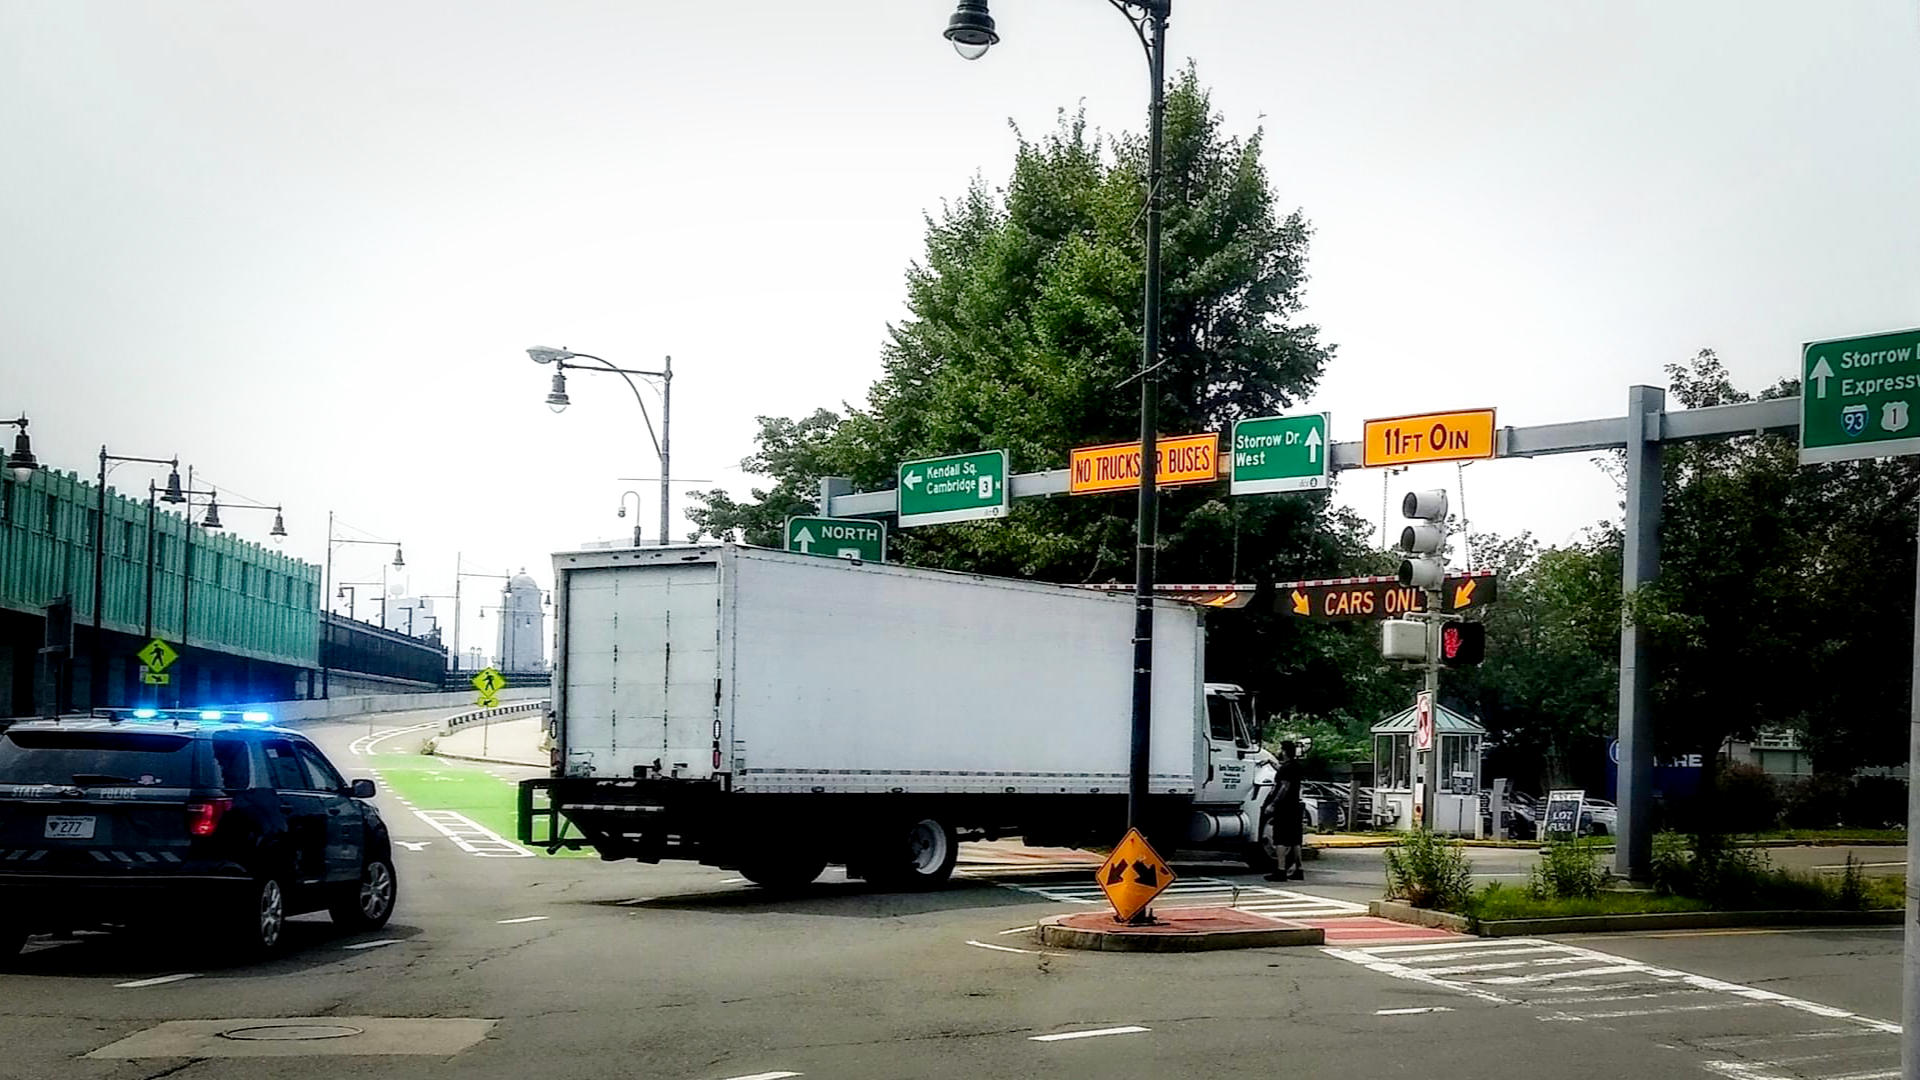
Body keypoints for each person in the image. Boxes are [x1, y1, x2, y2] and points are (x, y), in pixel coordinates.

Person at [1262, 741, 1306, 881]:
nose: (1280, 752)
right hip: (1295, 805)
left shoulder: (1285, 769)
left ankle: (1280, 870)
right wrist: (1272, 763)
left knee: (1280, 839)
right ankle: (1299, 869)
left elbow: (1284, 786)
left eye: (1281, 750)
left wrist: (1274, 804)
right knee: (1295, 840)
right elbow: (1287, 775)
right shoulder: (1296, 766)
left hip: (1284, 807)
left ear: (1285, 752)